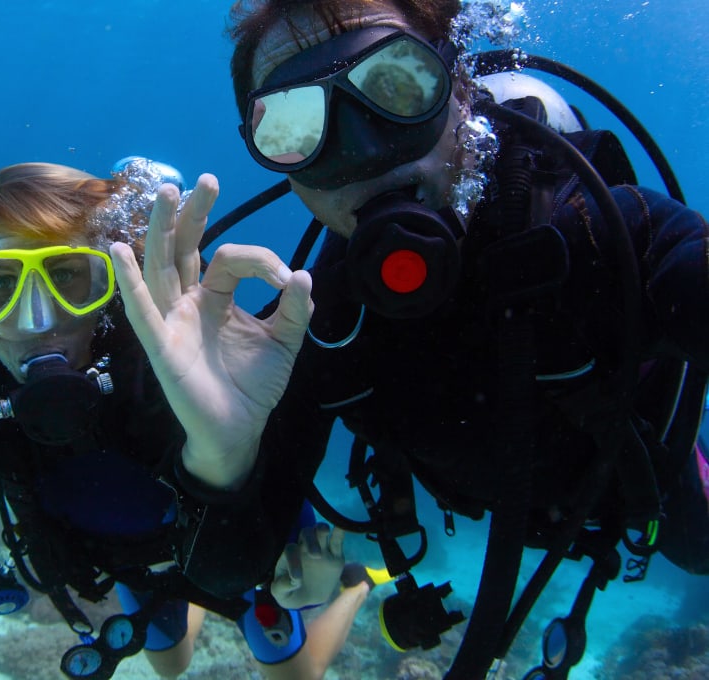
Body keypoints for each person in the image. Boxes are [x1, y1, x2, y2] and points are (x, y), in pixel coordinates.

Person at [109, 1, 709, 677]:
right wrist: (222, 453)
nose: (363, 151)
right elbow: (226, 571)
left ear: (458, 87)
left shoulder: (598, 234)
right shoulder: (313, 325)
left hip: (647, 483)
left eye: (398, 87)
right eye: (299, 126)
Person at [0, 160, 370, 679]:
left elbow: (267, 483)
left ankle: (357, 589)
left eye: (68, 276)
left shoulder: (174, 359)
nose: (36, 320)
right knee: (170, 666)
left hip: (226, 542)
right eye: (0, 284)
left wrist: (315, 582)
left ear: (109, 283)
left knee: (295, 674)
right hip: (130, 567)